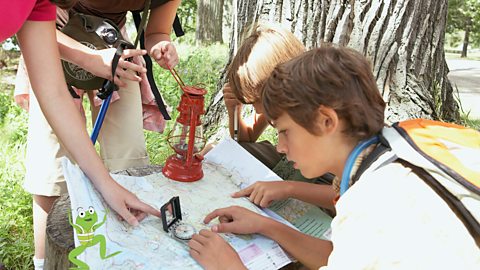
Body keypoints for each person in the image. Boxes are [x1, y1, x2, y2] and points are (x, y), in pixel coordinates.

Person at [188, 46, 480, 269]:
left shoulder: (372, 205)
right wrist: (266, 225)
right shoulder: (397, 146)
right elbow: (343, 256)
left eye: (286, 132)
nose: (280, 147)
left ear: (327, 121)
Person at [11, 0, 181, 269]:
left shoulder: (36, 7)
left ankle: (130, 257)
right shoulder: (35, 9)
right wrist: (87, 57)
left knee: (128, 160)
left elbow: (54, 96)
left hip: (114, 51)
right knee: (52, 174)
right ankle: (45, 263)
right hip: (53, 40)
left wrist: (106, 184)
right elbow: (34, 27)